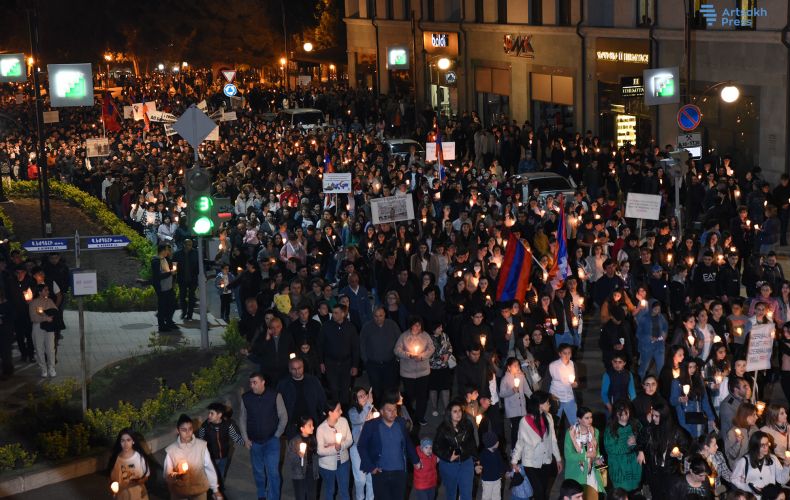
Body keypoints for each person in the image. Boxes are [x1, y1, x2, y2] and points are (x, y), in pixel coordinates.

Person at [356, 393, 422, 500]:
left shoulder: (400, 423)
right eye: (389, 410)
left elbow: (407, 442)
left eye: (395, 410)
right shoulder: (371, 425)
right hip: (380, 472)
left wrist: (416, 460)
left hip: (400, 472)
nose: (393, 413)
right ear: (381, 412)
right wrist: (370, 467)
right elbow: (361, 446)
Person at [238, 372, 287, 500]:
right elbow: (242, 418)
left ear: (263, 382)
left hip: (272, 441)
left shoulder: (275, 396)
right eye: (250, 383)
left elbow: (283, 416)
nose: (252, 385)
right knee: (259, 472)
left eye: (255, 382)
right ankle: (261, 494)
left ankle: (273, 497)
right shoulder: (246, 398)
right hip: (254, 443)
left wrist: (277, 435)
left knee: (273, 473)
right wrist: (245, 438)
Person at [511, 391, 562, 500]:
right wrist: (514, 461)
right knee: (539, 492)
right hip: (530, 462)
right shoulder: (524, 421)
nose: (549, 404)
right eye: (547, 402)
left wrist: (558, 459)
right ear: (539, 404)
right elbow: (520, 442)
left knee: (543, 491)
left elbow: (553, 440)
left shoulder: (549, 417)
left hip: (546, 461)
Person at [636, 402, 689, 498]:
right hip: (654, 471)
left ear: (664, 416)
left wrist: (679, 454)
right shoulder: (650, 429)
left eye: (657, 416)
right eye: (653, 415)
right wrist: (640, 451)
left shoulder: (676, 431)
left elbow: (685, 447)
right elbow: (640, 439)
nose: (653, 418)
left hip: (670, 472)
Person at [163, 414, 223, 500]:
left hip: (199, 490)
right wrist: (177, 475)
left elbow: (209, 468)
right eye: (184, 430)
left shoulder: (201, 446)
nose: (188, 433)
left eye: (190, 429)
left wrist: (215, 489)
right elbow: (167, 475)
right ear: (178, 430)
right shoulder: (171, 450)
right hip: (180, 492)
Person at [393, 316, 435, 426]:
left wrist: (422, 356)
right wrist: (408, 355)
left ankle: (420, 416)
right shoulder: (404, 336)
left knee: (422, 396)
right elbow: (397, 350)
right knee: (409, 395)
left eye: (419, 325)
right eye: (415, 325)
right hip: (408, 373)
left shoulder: (425, 336)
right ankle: (409, 415)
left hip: (423, 372)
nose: (417, 327)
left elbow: (431, 348)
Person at [433, 401, 478, 500]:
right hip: (449, 465)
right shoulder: (443, 429)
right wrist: (449, 456)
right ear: (449, 413)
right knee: (451, 494)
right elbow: (436, 448)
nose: (458, 414)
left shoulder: (467, 425)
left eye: (459, 411)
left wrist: (476, 461)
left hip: (466, 462)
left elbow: (472, 443)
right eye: (455, 411)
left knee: (467, 495)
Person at [196, 402, 245, 491]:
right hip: (211, 457)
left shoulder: (228, 425)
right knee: (211, 476)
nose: (209, 415)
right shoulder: (205, 426)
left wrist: (246, 443)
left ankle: (220, 490)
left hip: (224, 456)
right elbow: (200, 438)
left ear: (219, 415)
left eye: (212, 413)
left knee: (221, 474)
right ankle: (212, 491)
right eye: (209, 413)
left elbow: (236, 437)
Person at [319, 303, 360, 408]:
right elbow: (320, 345)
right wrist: (321, 362)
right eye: (333, 313)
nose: (333, 315)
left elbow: (355, 348)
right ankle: (334, 411)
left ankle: (345, 413)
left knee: (345, 390)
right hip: (330, 363)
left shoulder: (350, 327)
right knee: (333, 389)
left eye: (336, 313)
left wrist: (355, 365)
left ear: (343, 314)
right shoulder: (326, 326)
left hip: (346, 363)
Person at [276, 357, 327, 439]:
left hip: (310, 423)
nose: (297, 371)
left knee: (312, 448)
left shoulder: (313, 381)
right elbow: (278, 405)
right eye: (294, 369)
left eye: (299, 368)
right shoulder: (283, 384)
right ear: (289, 369)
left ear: (303, 367)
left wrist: (322, 417)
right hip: (292, 424)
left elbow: (322, 400)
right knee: (294, 449)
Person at [359, 306, 401, 400]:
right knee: (376, 389)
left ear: (384, 315)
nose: (378, 318)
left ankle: (391, 410)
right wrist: (365, 360)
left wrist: (398, 357)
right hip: (373, 365)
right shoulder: (367, 327)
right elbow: (362, 344)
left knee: (390, 388)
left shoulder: (392, 325)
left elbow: (400, 340)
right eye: (376, 316)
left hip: (390, 363)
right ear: (373, 316)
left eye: (380, 316)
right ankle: (378, 411)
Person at [731, 431, 790, 497]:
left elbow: (782, 480)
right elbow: (734, 479)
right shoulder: (744, 461)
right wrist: (749, 488)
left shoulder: (773, 458)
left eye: (767, 444)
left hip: (769, 497)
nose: (766, 447)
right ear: (755, 446)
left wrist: (787, 466)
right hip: (754, 497)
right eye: (762, 445)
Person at [563, 406, 604, 498]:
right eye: (587, 418)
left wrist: (601, 464)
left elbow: (597, 452)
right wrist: (586, 455)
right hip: (576, 473)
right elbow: (568, 456)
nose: (590, 420)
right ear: (579, 419)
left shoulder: (595, 431)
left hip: (591, 472)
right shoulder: (571, 433)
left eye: (591, 417)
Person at [316, 399, 353, 500]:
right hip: (327, 465)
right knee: (330, 490)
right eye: (338, 410)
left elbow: (350, 440)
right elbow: (320, 451)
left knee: (344, 491)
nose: (341, 412)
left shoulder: (344, 421)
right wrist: (334, 448)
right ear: (330, 413)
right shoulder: (321, 429)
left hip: (344, 462)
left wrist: (340, 445)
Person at [603, 400, 642, 494]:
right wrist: (627, 445)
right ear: (616, 414)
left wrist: (637, 441)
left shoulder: (636, 424)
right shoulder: (611, 429)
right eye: (621, 414)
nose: (624, 417)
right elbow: (610, 448)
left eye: (626, 413)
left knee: (634, 489)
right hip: (618, 464)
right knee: (621, 491)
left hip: (633, 463)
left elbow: (644, 438)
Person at [108, 428, 151, 500]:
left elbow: (146, 476)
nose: (125, 444)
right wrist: (113, 488)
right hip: (123, 495)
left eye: (128, 440)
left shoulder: (139, 458)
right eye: (122, 440)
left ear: (133, 441)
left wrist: (138, 482)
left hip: (138, 495)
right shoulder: (117, 459)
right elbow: (113, 479)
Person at [347, 387, 374, 500]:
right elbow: (359, 419)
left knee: (371, 479)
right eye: (360, 396)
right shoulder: (353, 411)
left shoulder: (373, 409)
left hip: (370, 448)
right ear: (356, 400)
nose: (364, 397)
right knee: (360, 479)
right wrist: (368, 405)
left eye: (365, 395)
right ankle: (359, 497)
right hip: (357, 448)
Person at [285, 416, 319, 500]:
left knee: (312, 495)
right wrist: (299, 456)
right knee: (300, 496)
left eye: (313, 425)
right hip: (299, 473)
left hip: (311, 471)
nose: (313, 427)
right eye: (310, 425)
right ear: (302, 428)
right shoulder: (295, 441)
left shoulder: (314, 439)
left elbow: (317, 455)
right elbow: (289, 459)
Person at [499, 357, 530, 449]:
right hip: (512, 410)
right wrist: (512, 391)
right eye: (515, 366)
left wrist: (534, 398)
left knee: (523, 429)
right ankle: (514, 449)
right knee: (516, 430)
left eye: (518, 365)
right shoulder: (505, 379)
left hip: (522, 409)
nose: (517, 367)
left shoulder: (521, 376)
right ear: (509, 367)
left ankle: (523, 448)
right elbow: (501, 393)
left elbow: (527, 390)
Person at [29, 283, 57, 378]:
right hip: (38, 327)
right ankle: (43, 369)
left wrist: (46, 316)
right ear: (40, 292)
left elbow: (55, 312)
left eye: (48, 290)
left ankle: (51, 368)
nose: (48, 291)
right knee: (39, 348)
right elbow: (33, 317)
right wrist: (45, 318)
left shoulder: (50, 301)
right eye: (45, 290)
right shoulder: (33, 302)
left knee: (50, 349)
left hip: (49, 327)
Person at [636, 299, 668, 379]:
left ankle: (660, 385)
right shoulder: (644, 318)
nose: (657, 311)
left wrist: (664, 334)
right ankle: (642, 382)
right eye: (655, 309)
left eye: (659, 309)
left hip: (659, 346)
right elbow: (638, 334)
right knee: (644, 367)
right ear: (650, 308)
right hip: (647, 347)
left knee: (661, 367)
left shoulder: (661, 317)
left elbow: (665, 326)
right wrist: (649, 338)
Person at [548, 344, 578, 426]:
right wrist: (550, 396)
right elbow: (546, 382)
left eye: (569, 353)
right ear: (560, 354)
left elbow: (576, 380)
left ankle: (574, 438)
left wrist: (575, 384)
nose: (567, 355)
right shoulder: (553, 366)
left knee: (575, 422)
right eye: (565, 353)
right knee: (554, 423)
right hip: (556, 398)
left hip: (569, 398)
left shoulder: (572, 364)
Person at [152, 243, 178, 332]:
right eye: (167, 250)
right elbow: (158, 276)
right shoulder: (156, 261)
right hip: (162, 289)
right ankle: (162, 326)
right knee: (162, 307)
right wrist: (170, 273)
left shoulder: (165, 259)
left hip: (169, 288)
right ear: (163, 250)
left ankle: (169, 322)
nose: (168, 251)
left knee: (172, 305)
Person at [173, 239, 199, 321]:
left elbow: (200, 265)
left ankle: (190, 314)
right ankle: (184, 312)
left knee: (191, 297)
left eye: (190, 244)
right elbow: (174, 266)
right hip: (182, 278)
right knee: (182, 297)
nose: (189, 246)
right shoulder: (177, 254)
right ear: (184, 245)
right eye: (188, 244)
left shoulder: (196, 253)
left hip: (193, 279)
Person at [478, 431, 507, 500]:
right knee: (487, 496)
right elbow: (479, 464)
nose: (498, 442)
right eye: (497, 441)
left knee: (497, 496)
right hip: (487, 480)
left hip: (497, 479)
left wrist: (506, 470)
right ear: (491, 443)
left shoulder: (497, 452)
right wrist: (478, 467)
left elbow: (501, 463)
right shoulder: (483, 454)